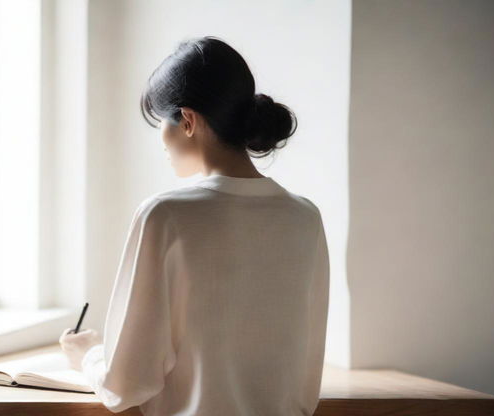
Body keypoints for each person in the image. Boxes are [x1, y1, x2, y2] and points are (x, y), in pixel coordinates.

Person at [59, 35, 330, 416]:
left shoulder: (165, 215)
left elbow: (126, 385)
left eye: (160, 123)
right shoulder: (306, 218)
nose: (162, 140)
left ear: (187, 120)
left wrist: (88, 356)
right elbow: (304, 380)